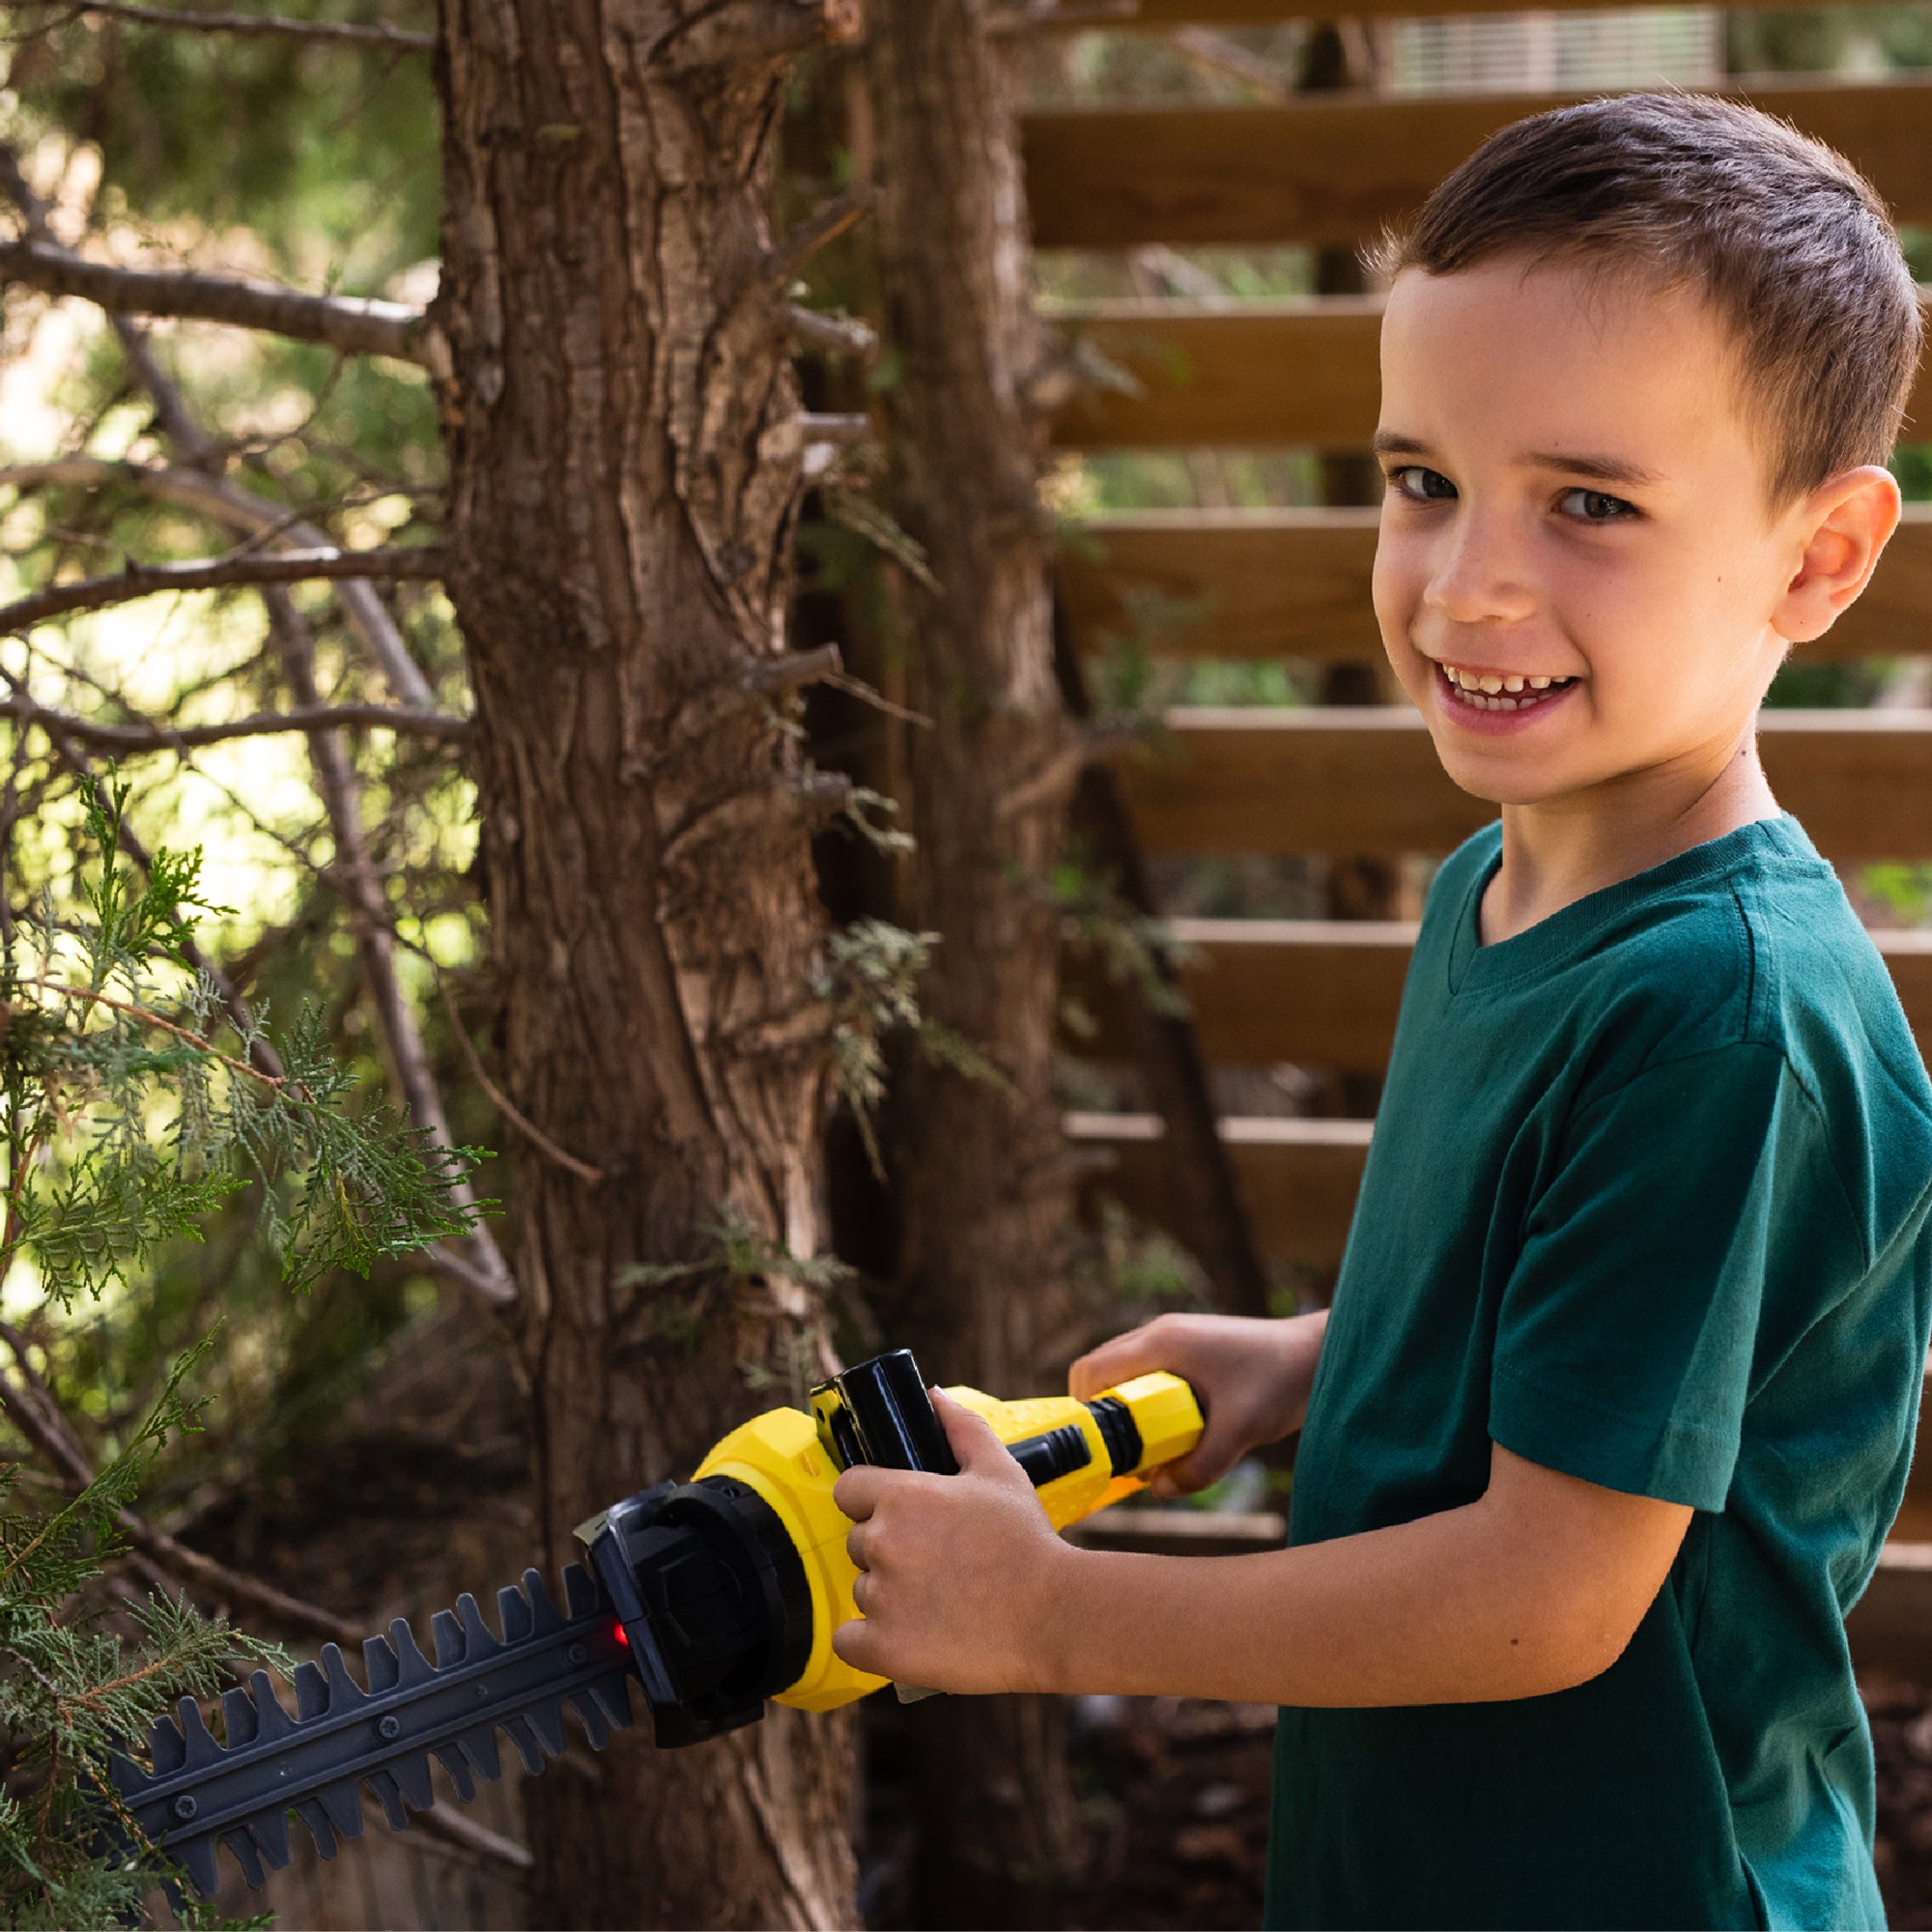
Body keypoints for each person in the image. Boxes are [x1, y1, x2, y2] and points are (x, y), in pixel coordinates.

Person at [830, 92, 1932, 1930]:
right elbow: (1590, 1345)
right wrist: (1310, 1362)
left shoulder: (1719, 1018)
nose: (1471, 579)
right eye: (1425, 481)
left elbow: (1542, 1590)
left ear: (1819, 559)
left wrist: (1056, 1618)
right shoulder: (1498, 889)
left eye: (1589, 503)